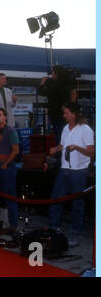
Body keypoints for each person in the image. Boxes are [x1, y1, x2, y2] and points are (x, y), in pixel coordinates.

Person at [48, 103, 94, 247]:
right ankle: (54, 229)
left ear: (74, 114)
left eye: (67, 113)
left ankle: (74, 234)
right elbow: (63, 145)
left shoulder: (86, 130)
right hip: (64, 169)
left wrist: (77, 148)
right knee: (55, 200)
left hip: (79, 171)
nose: (64, 116)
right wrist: (56, 149)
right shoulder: (65, 129)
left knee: (77, 204)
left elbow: (92, 152)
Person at [0, 108, 20, 234]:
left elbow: (16, 150)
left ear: (5, 117)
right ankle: (3, 222)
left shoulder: (10, 131)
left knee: (9, 196)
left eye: (0, 115)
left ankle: (13, 224)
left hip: (7, 166)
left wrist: (7, 163)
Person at [39, 65, 77, 146]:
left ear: (56, 74)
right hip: (64, 115)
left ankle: (60, 155)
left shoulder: (55, 85)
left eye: (52, 72)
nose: (51, 74)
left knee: (59, 137)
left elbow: (42, 92)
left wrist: (42, 83)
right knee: (64, 135)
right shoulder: (67, 85)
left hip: (56, 115)